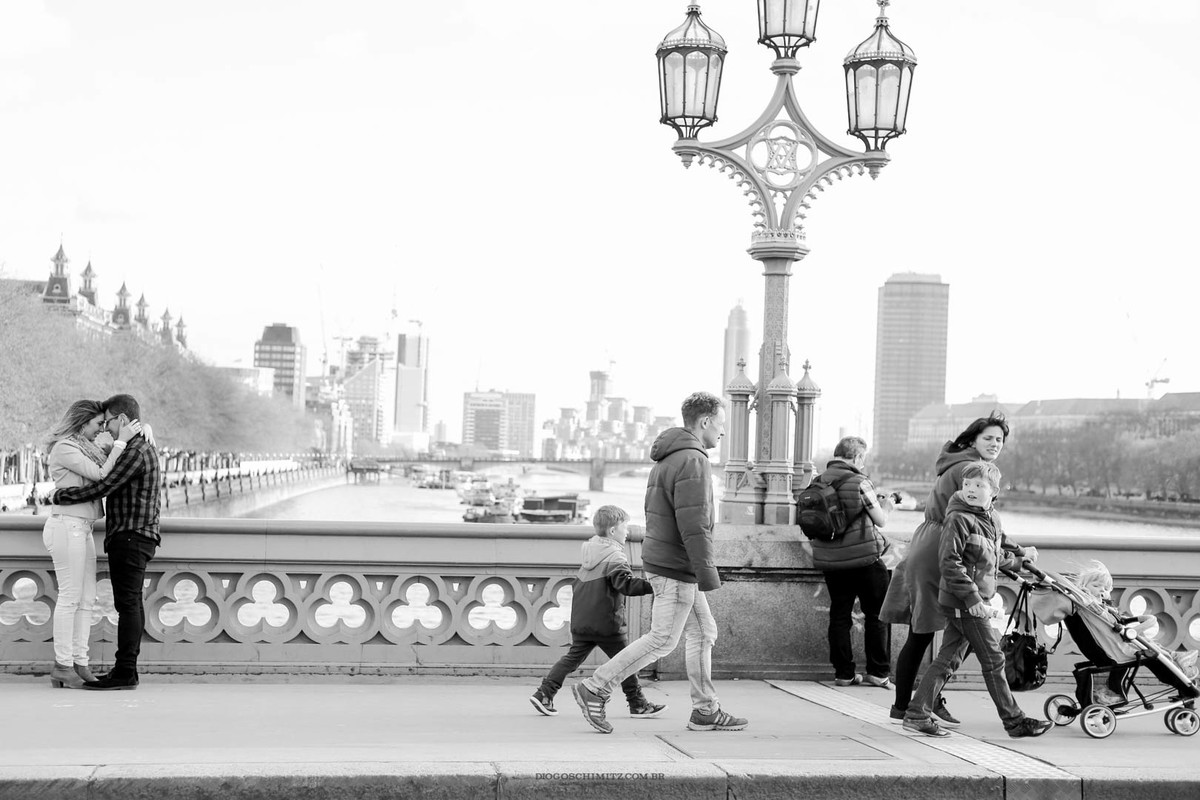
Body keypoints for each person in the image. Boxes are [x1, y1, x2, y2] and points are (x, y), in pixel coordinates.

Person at [571, 391, 747, 734]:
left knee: (703, 631)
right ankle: (596, 686)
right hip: (677, 565)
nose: (722, 433)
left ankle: (705, 709)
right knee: (663, 639)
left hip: (665, 559)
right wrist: (706, 572)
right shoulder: (693, 461)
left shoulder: (667, 458)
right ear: (705, 421)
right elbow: (694, 524)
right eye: (721, 425)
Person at [880, 414, 1036, 726]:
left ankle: (914, 703)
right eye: (989, 438)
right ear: (973, 440)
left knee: (928, 631)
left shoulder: (957, 462)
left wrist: (1015, 550)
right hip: (944, 548)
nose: (995, 444)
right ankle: (921, 703)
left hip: (928, 542)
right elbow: (982, 528)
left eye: (999, 440)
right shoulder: (973, 469)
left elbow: (987, 525)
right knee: (946, 631)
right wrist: (1016, 556)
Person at [902, 461, 1052, 738]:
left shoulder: (991, 517)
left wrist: (1021, 556)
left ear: (993, 492)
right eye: (967, 484)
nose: (971, 489)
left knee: (949, 659)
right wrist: (971, 598)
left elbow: (995, 549)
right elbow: (949, 562)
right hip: (963, 601)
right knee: (994, 659)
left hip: (975, 599)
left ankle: (916, 713)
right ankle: (1014, 721)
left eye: (979, 485)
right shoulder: (958, 518)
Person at [50, 394, 161, 691]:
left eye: (108, 422)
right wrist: (136, 430)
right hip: (107, 532)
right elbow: (104, 463)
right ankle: (83, 666)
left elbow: (105, 483)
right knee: (119, 603)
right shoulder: (128, 447)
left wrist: (62, 496)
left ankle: (124, 672)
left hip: (130, 535)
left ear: (122, 420)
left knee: (126, 605)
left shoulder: (134, 451)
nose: (105, 429)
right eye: (100, 423)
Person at [530, 505, 666, 719]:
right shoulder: (614, 556)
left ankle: (544, 693)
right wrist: (656, 585)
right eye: (625, 527)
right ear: (613, 531)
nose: (627, 532)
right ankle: (637, 704)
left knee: (571, 659)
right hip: (606, 622)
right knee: (626, 661)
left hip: (583, 619)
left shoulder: (590, 552)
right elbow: (626, 585)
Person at [808, 436, 895, 689]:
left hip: (831, 560)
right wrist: (886, 505)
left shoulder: (817, 481)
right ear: (857, 457)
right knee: (876, 615)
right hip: (865, 559)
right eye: (863, 459)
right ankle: (878, 672)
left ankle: (844, 673)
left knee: (839, 616)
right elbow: (880, 520)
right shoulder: (859, 481)